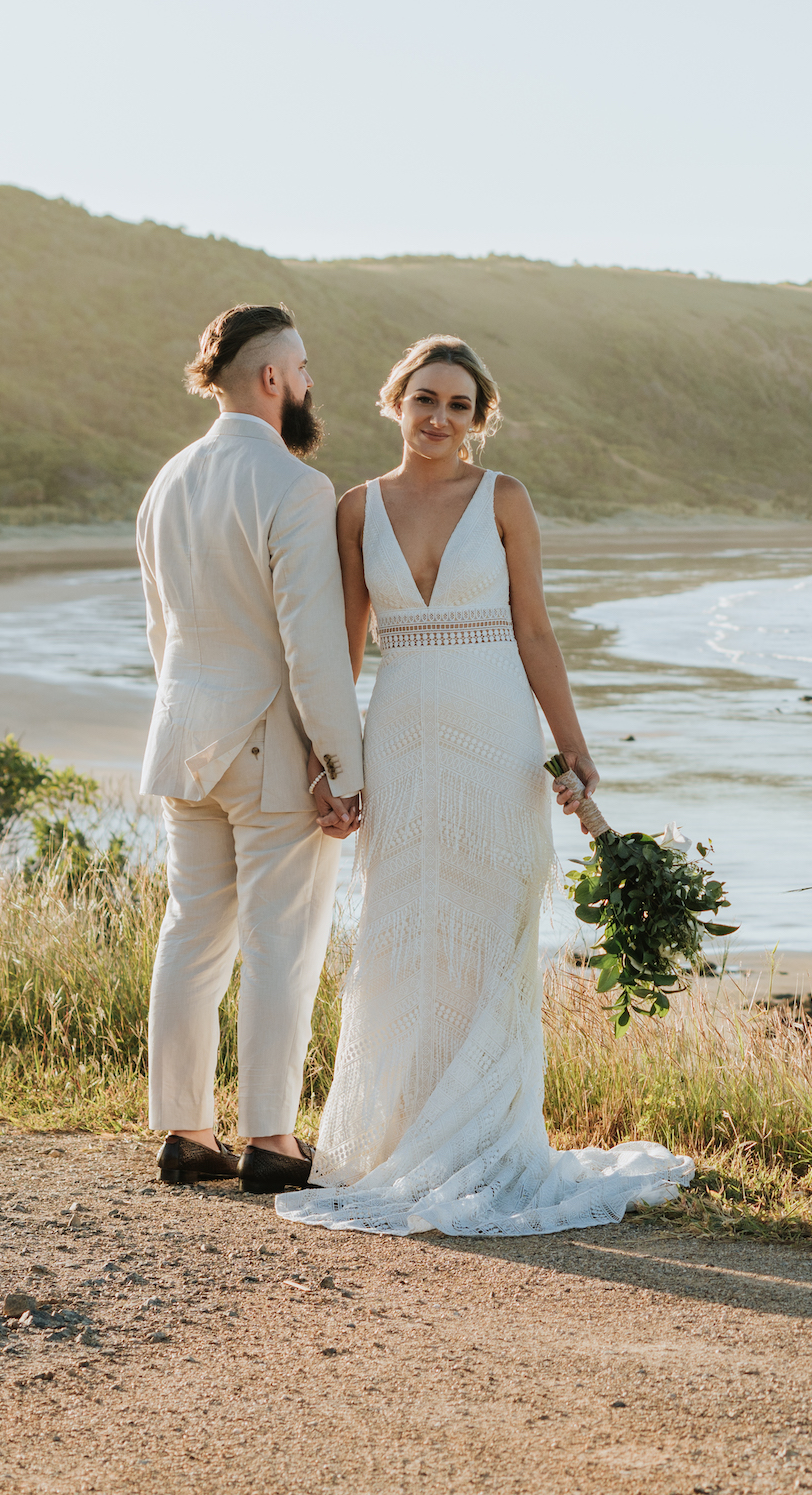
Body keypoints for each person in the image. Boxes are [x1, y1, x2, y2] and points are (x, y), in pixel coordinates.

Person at [276, 335, 692, 1237]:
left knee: (493, 932)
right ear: (395, 401)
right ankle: (398, 1138)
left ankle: (489, 1141)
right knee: (403, 933)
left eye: (458, 405)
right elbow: (342, 650)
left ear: (478, 418)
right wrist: (328, 764)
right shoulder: (356, 509)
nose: (439, 418)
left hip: (498, 737)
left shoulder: (505, 499)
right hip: (401, 740)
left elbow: (534, 631)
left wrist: (573, 750)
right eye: (424, 399)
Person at [136, 304, 366, 1196]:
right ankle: (271, 1139)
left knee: (191, 933)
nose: (308, 385)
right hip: (270, 746)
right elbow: (313, 645)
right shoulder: (296, 486)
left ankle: (186, 1133)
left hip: (183, 739)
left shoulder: (166, 482)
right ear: (272, 378)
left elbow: (160, 632)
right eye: (302, 370)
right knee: (282, 943)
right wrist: (340, 766)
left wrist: (183, 720)